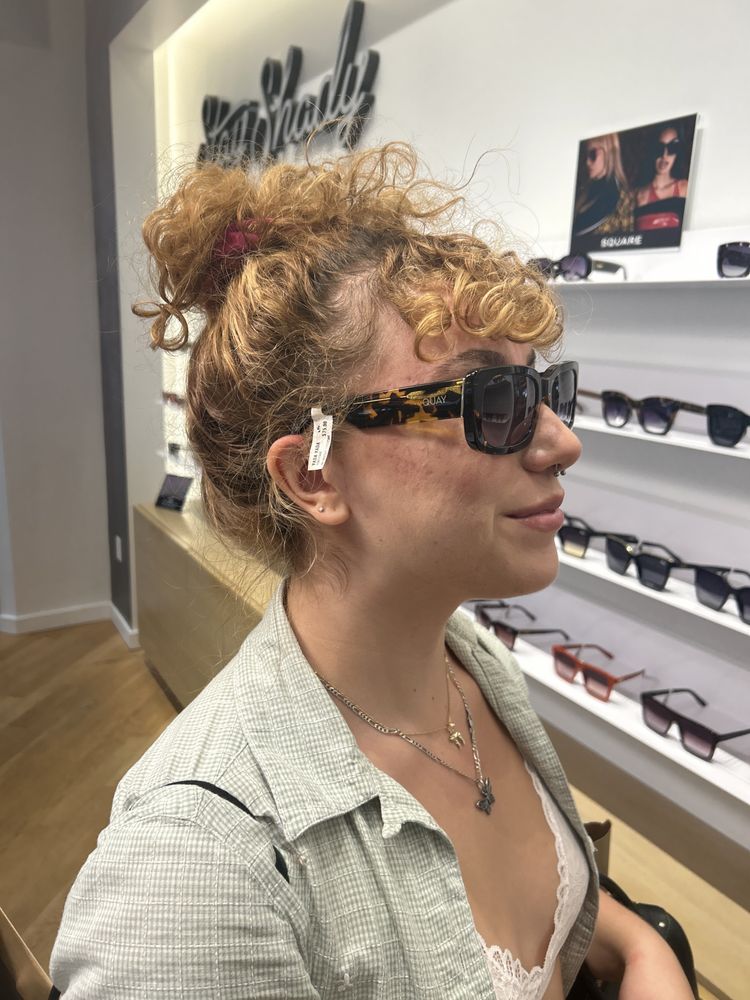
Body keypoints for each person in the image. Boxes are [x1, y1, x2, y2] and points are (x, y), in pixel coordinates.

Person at [49, 143, 694, 999]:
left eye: (543, 391)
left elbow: (559, 907)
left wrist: (645, 950)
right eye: (490, 402)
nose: (562, 442)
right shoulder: (198, 873)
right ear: (313, 476)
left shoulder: (465, 663)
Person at [572, 133, 634, 238]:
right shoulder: (582, 191)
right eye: (585, 155)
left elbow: (628, 240)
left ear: (608, 153)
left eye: (593, 154)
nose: (587, 162)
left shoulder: (623, 198)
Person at [634, 123, 690, 233]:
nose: (664, 155)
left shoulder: (685, 189)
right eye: (659, 148)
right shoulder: (640, 196)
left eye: (672, 148)